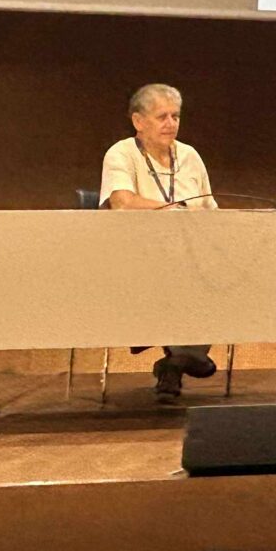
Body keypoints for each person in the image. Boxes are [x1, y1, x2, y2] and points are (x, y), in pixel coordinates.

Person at [98, 83, 220, 403]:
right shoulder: (121, 153)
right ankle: (185, 356)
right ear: (138, 121)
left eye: (175, 116)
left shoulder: (189, 156)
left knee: (225, 272)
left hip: (191, 254)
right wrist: (174, 210)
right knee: (184, 280)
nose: (171, 123)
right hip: (138, 257)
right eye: (162, 116)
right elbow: (122, 203)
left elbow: (210, 210)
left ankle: (177, 361)